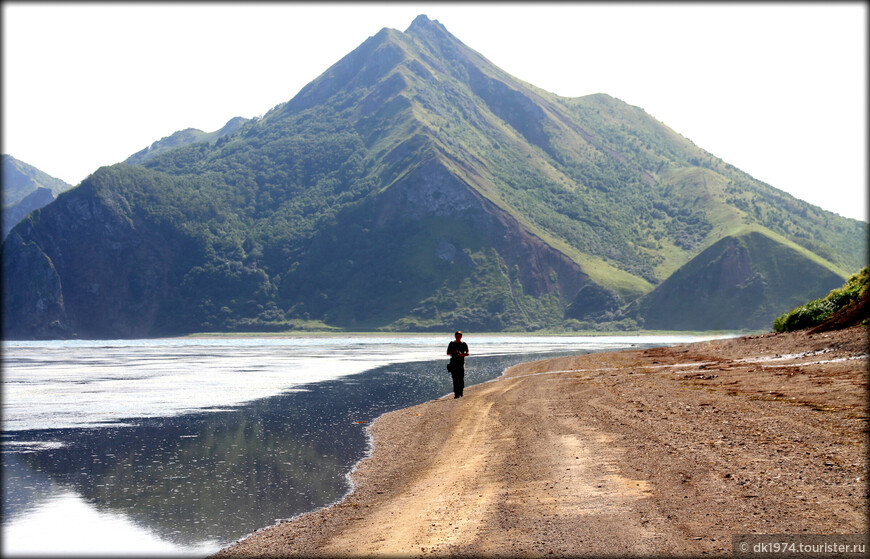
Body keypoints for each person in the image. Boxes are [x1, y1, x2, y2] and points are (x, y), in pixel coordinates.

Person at [446, 331, 469, 398]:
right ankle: (456, 394)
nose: (458, 337)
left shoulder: (464, 344)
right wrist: (454, 352)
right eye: (456, 336)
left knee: (461, 379)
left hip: (461, 363)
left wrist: (462, 354)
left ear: (461, 337)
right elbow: (447, 353)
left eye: (459, 336)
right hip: (453, 363)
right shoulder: (451, 343)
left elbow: (467, 353)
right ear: (455, 336)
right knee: (455, 379)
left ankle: (461, 391)